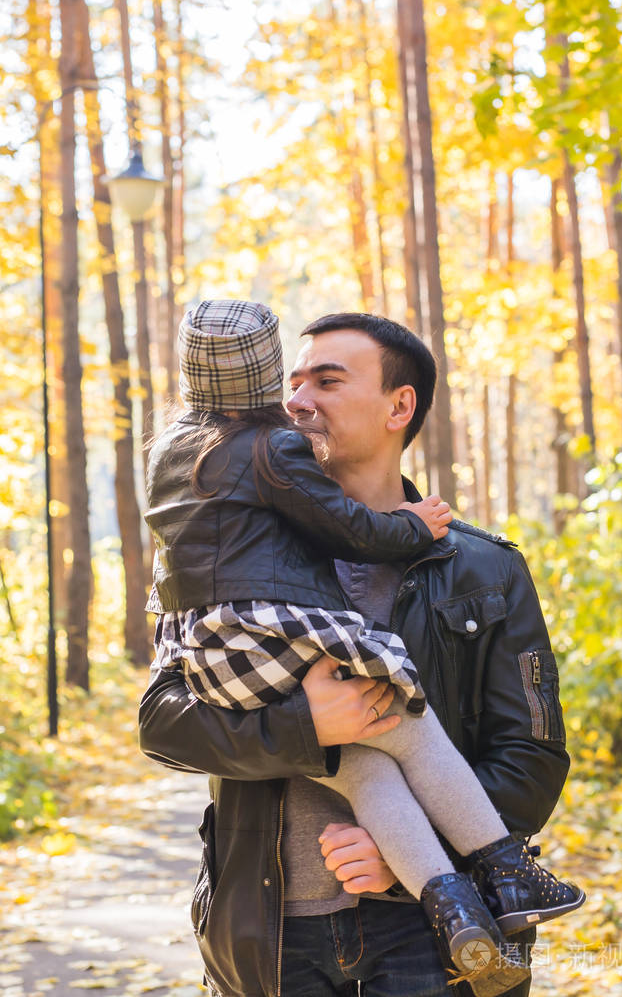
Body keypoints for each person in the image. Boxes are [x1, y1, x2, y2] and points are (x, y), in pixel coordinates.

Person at [144, 300, 583, 996]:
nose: (296, 400)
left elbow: (533, 754)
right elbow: (161, 723)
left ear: (398, 404)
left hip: (429, 937)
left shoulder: (484, 568)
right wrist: (306, 727)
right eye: (291, 381)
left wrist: (412, 854)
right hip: (269, 932)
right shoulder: (222, 559)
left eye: (327, 380)